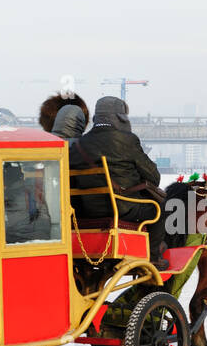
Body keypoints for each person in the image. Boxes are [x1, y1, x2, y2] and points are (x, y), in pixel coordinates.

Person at [68, 96, 168, 269]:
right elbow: (154, 177)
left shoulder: (78, 144)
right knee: (162, 207)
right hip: (123, 209)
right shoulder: (127, 140)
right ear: (120, 118)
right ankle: (153, 258)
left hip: (85, 211)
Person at [3, 163, 53, 243]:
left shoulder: (8, 195)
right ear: (22, 176)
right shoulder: (35, 190)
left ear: (6, 179)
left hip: (23, 237)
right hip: (43, 236)